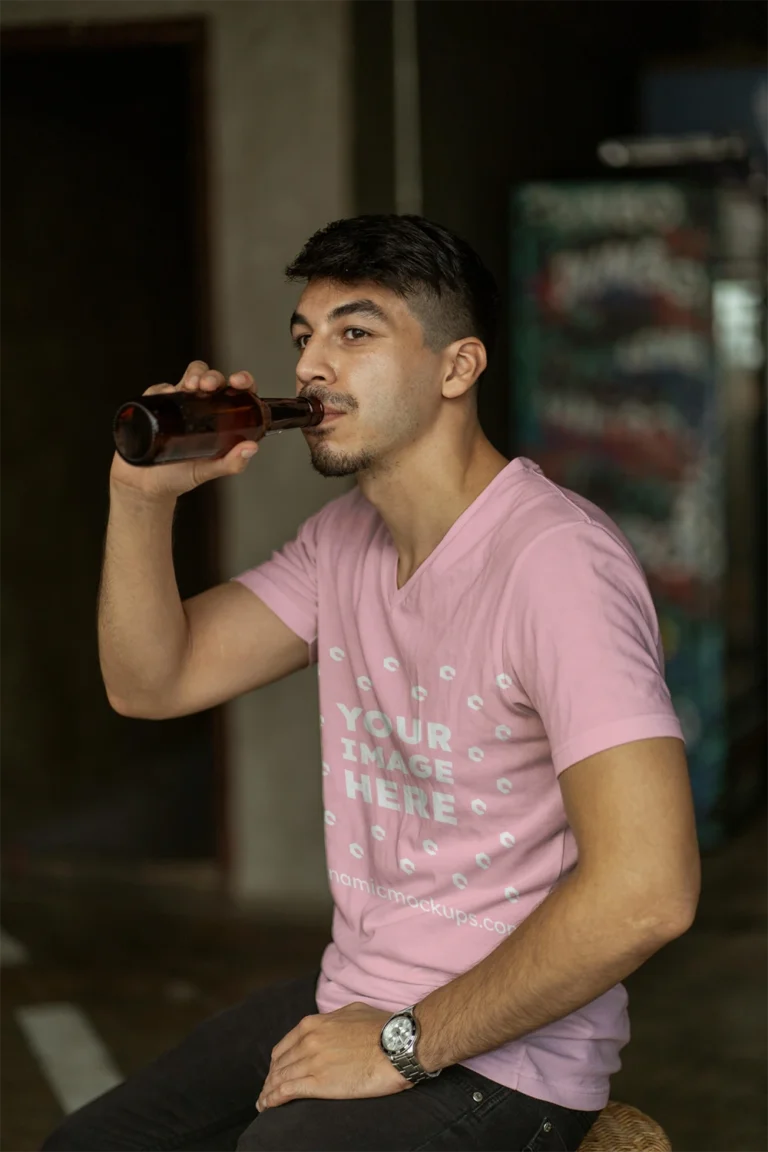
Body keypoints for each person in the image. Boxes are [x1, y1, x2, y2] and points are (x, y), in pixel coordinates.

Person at [50, 215, 700, 1152]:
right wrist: (141, 499)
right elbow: (153, 682)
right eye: (303, 338)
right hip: (356, 992)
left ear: (457, 367)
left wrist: (404, 1045)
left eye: (355, 333)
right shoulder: (341, 544)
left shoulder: (557, 567)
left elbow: (649, 890)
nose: (313, 366)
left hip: (504, 1061)